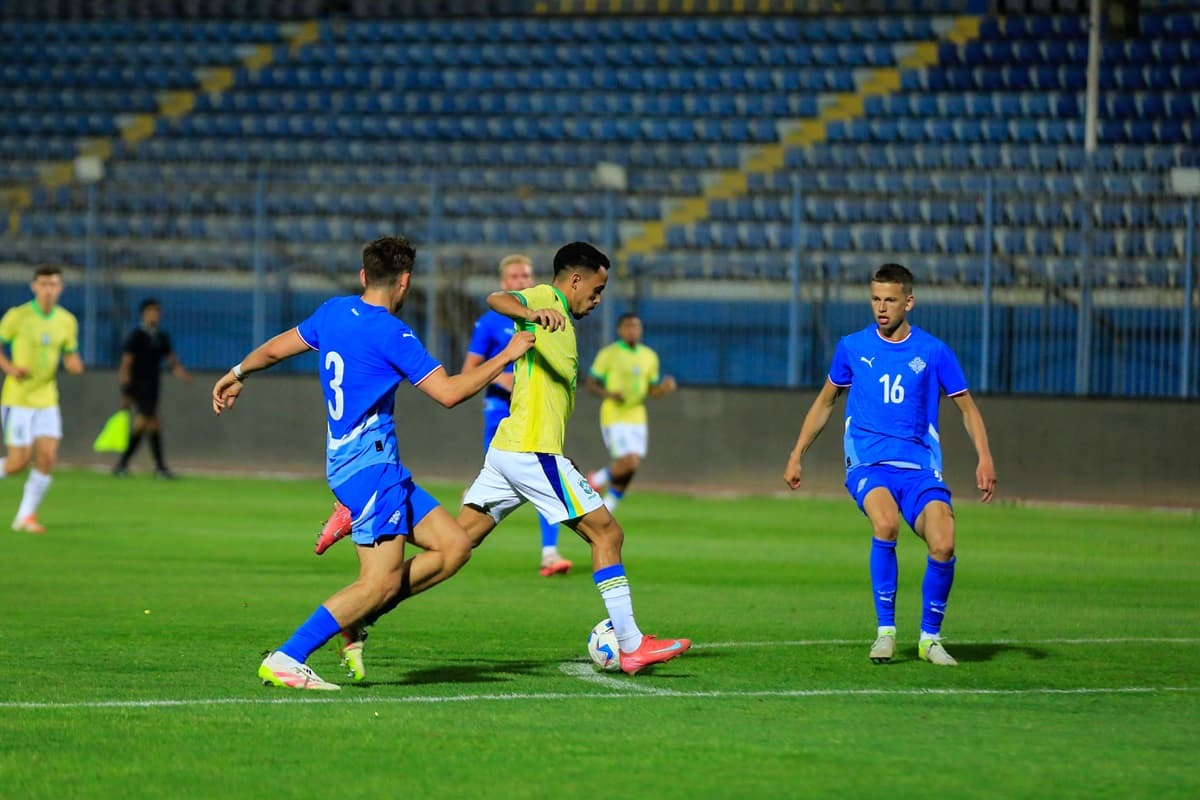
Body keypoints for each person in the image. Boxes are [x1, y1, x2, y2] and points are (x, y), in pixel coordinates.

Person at [321, 242, 691, 677]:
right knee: (607, 534)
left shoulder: (563, 318)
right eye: (597, 288)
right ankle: (630, 644)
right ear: (575, 279)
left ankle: (362, 613)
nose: (598, 298)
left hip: (509, 452)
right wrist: (530, 314)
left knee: (454, 544)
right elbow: (498, 300)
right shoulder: (546, 298)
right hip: (531, 450)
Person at [212, 235, 534, 691]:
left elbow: (272, 351)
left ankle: (353, 618)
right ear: (405, 282)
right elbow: (449, 394)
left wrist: (237, 374)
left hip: (370, 468)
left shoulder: (333, 312)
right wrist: (507, 355)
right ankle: (289, 656)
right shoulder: (393, 333)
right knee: (377, 584)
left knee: (454, 546)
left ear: (364, 276)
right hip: (369, 471)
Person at [782, 263, 996, 667]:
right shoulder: (852, 347)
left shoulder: (933, 351)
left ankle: (930, 639)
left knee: (944, 541)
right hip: (868, 464)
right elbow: (826, 401)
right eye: (876, 299)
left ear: (909, 302)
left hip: (919, 469)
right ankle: (886, 633)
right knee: (885, 523)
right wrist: (797, 454)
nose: (881, 307)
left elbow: (967, 409)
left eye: (890, 300)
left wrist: (984, 458)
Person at [464, 254, 569, 576]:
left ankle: (550, 554)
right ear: (503, 282)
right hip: (500, 412)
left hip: (534, 412)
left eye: (525, 276)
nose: (521, 281)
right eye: (514, 277)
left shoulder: (544, 318)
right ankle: (456, 534)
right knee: (521, 482)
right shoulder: (489, 322)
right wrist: (503, 378)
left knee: (540, 479)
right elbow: (470, 368)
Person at [0, 265, 84, 534]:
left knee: (47, 458)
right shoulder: (18, 316)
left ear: (61, 288)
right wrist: (11, 369)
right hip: (18, 398)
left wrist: (73, 363)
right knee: (17, 463)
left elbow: (70, 353)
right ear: (34, 286)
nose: (49, 289)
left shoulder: (67, 321)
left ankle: (25, 517)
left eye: (54, 284)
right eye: (44, 284)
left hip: (47, 398)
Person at [585, 312, 676, 512]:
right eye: (628, 327)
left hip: (637, 415)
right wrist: (608, 393)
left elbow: (652, 391)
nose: (632, 331)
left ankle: (607, 508)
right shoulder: (609, 354)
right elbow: (590, 383)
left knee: (631, 467)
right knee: (629, 462)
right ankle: (594, 480)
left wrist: (664, 388)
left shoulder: (649, 356)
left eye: (636, 327)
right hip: (614, 414)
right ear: (620, 330)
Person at [112, 298, 191, 478]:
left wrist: (181, 374)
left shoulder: (161, 337)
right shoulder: (136, 336)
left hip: (154, 387)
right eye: (152, 311)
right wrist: (125, 390)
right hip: (138, 387)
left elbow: (171, 360)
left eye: (157, 311)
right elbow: (126, 364)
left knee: (148, 425)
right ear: (144, 314)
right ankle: (158, 467)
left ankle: (124, 465)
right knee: (147, 422)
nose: (155, 315)